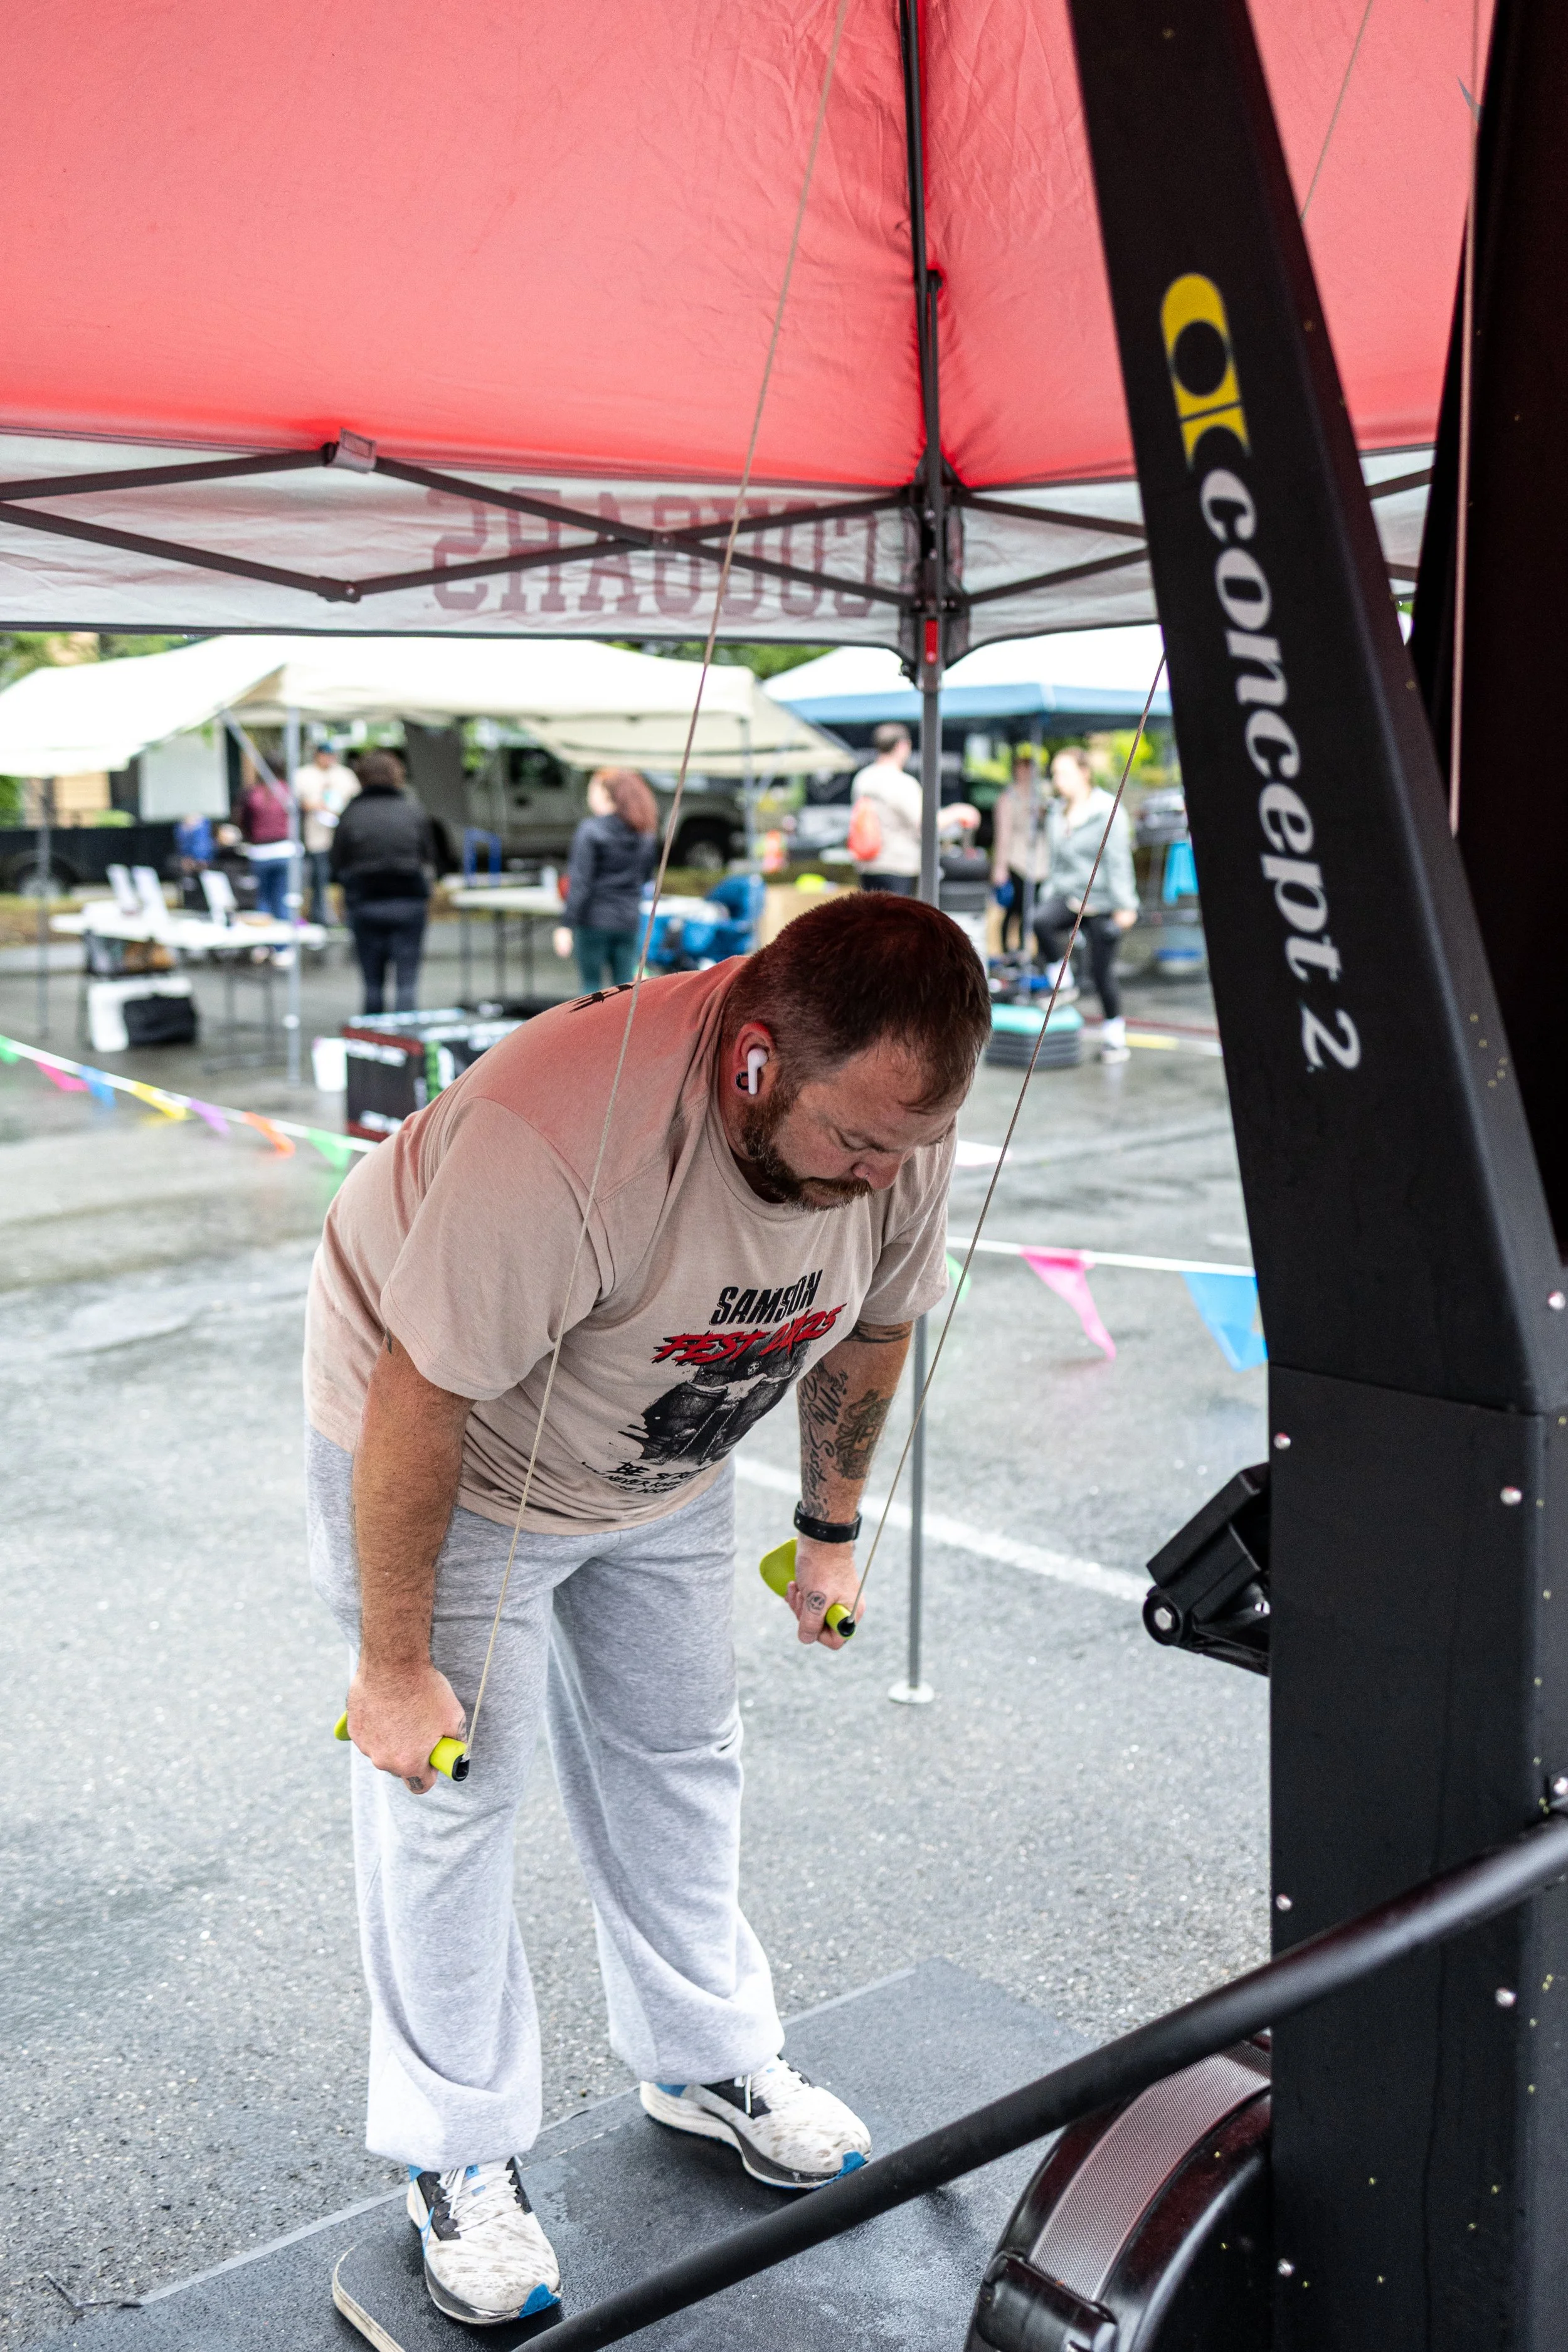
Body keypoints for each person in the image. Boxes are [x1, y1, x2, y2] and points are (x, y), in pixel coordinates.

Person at [304, 893, 992, 2327]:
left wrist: (829, 1531)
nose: (881, 1177)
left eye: (905, 1149)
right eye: (857, 1141)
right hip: (461, 1448)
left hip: (660, 1462)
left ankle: (703, 2055)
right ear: (753, 1063)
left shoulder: (893, 1142)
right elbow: (419, 1390)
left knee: (682, 1745)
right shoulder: (557, 1135)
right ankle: (457, 2150)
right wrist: (390, 1661)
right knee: (449, 1783)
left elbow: (873, 1325)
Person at [1034, 746, 1138, 1062]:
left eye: (1064, 773)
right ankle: (1064, 985)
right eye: (1054, 774)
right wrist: (1048, 894)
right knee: (1040, 921)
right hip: (1068, 895)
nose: (1057, 780)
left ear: (1084, 773)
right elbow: (1054, 862)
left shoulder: (1108, 810)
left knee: (1102, 972)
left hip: (1104, 900)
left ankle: (1115, 1041)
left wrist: (1126, 905)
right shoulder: (1056, 812)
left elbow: (1119, 861)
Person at [330, 750, 437, 1015]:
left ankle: (374, 1045)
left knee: (372, 986)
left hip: (365, 904)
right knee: (407, 986)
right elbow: (430, 856)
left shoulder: (351, 814)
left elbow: (336, 864)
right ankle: (407, 1045)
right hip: (409, 903)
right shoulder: (413, 810)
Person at [552, 767, 660, 992]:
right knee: (625, 990)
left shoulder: (591, 830)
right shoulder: (644, 833)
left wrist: (566, 925)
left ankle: (590, 1029)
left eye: (592, 789)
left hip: (593, 920)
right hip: (628, 920)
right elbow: (646, 878)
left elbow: (580, 883)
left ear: (606, 794)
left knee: (591, 989)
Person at [990, 746, 1052, 953]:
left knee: (1032, 910)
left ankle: (1026, 950)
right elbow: (1003, 835)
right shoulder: (1008, 799)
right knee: (1015, 909)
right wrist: (1000, 867)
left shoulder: (1040, 796)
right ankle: (1008, 950)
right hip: (1017, 860)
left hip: (1040, 862)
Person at [848, 724, 921, 893]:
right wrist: (957, 812)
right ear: (902, 746)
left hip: (867, 864)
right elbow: (923, 822)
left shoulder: (863, 778)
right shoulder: (903, 782)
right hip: (899, 865)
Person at [294, 743, 359, 926]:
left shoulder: (344, 775)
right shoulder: (304, 775)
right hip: (317, 836)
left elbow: (355, 798)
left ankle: (349, 918)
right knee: (320, 878)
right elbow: (297, 802)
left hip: (343, 835)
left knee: (347, 878)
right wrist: (314, 806)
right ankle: (321, 918)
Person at [236, 764, 297, 923]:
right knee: (282, 899)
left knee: (263, 900)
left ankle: (267, 944)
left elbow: (244, 821)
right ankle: (282, 944)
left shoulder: (253, 794)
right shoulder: (287, 791)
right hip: (283, 850)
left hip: (260, 852)